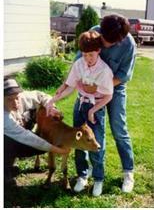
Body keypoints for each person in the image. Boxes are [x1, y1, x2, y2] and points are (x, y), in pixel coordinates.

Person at [50, 14, 136, 194]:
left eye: (110, 44)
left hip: (114, 87)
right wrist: (66, 87)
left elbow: (122, 75)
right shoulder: (94, 33)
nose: (105, 45)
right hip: (87, 89)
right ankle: (85, 171)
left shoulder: (129, 45)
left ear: (120, 40)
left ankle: (128, 171)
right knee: (83, 131)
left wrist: (96, 88)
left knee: (119, 129)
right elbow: (78, 65)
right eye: (103, 40)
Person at [46, 30, 114, 196]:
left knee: (97, 144)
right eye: (84, 54)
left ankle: (98, 179)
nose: (87, 59)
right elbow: (70, 87)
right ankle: (82, 175)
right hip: (80, 105)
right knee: (77, 141)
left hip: (96, 107)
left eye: (91, 55)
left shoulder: (104, 71)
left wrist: (93, 110)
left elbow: (108, 95)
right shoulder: (79, 64)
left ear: (98, 51)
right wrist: (53, 101)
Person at [4, 77, 70, 184]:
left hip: (19, 133)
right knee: (7, 142)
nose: (16, 102)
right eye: (9, 99)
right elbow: (27, 138)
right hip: (11, 138)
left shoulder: (22, 97)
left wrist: (51, 107)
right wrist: (58, 150)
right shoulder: (4, 118)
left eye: (16, 97)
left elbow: (40, 96)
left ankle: (10, 161)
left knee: (28, 118)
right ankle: (5, 168)